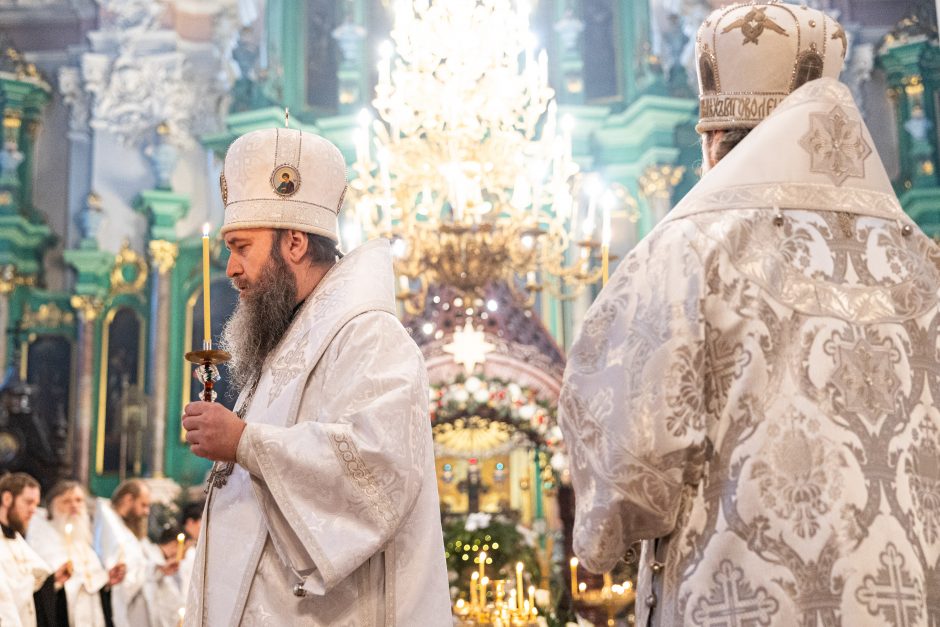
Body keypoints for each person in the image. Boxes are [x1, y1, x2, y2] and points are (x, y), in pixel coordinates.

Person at [558, 3, 940, 626]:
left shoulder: (686, 252)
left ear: (714, 142)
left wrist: (600, 541)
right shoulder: (923, 262)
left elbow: (626, 466)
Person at [181, 127, 451, 625]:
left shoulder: (367, 335)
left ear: (296, 243)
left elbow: (379, 470)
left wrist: (245, 443)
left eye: (241, 247)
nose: (230, 268)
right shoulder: (288, 340)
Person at [26, 480, 125, 627]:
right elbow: (43, 585)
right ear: (52, 507)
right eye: (66, 501)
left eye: (79, 500)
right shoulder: (43, 539)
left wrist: (106, 579)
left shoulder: (83, 542)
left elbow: (92, 582)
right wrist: (56, 579)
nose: (74, 506)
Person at [94, 479, 173, 627]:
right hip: (122, 608)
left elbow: (138, 566)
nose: (146, 512)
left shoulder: (124, 527)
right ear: (128, 499)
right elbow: (121, 575)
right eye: (143, 505)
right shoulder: (110, 527)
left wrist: (158, 569)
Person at [0, 473, 71, 627]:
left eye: (36, 504)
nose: (33, 510)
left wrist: (53, 581)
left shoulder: (19, 542)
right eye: (28, 502)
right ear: (7, 499)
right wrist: (35, 580)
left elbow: (33, 589)